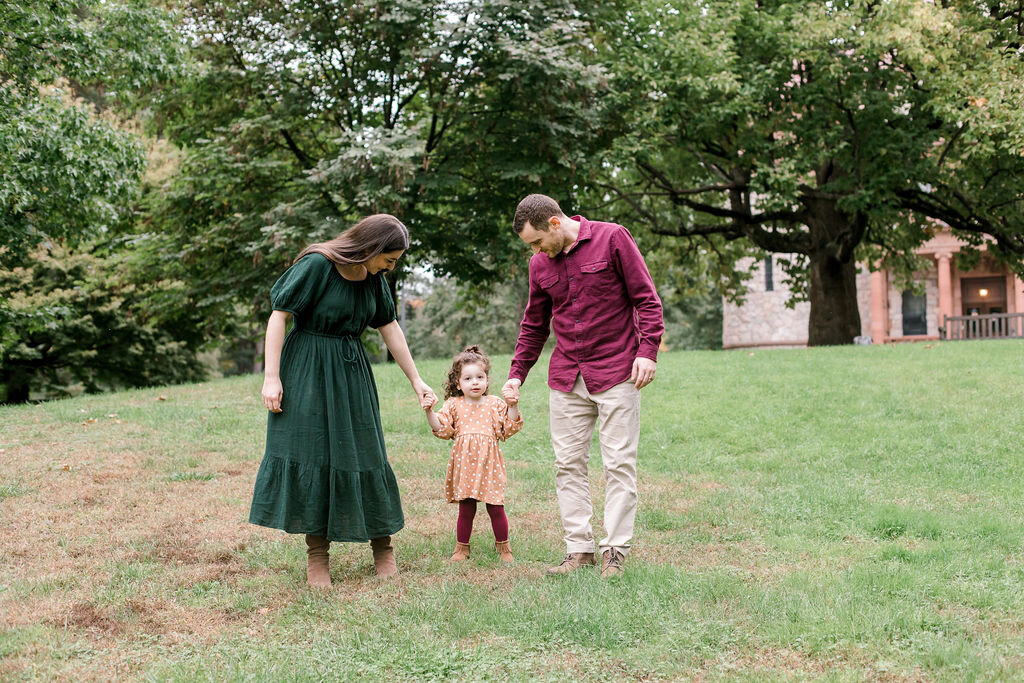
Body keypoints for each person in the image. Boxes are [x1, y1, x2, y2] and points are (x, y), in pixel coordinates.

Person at [249, 214, 435, 588]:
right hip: (306, 370)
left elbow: (390, 327)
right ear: (370, 247)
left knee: (366, 452)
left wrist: (417, 380)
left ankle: (383, 547)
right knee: (313, 452)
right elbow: (279, 317)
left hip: (351, 374)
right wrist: (272, 377)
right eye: (390, 259)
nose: (390, 267)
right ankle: (317, 555)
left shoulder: (375, 279)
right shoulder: (318, 265)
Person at [501, 194, 664, 579]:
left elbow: (647, 300)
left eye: (537, 241)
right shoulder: (540, 264)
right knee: (567, 464)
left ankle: (616, 552)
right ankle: (579, 550)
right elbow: (534, 325)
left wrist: (648, 350)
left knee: (618, 463)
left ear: (555, 224)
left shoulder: (613, 238)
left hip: (616, 370)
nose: (536, 250)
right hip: (566, 376)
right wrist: (515, 375)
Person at [423, 346, 523, 563]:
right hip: (465, 466)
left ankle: (504, 548)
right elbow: (441, 428)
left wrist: (512, 405)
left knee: (496, 507)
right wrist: (429, 412)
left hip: (490, 465)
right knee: (466, 508)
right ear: (458, 383)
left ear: (487, 380)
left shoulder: (495, 403)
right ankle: (462, 549)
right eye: (468, 378)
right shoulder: (453, 404)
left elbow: (510, 426)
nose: (475, 382)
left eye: (480, 377)